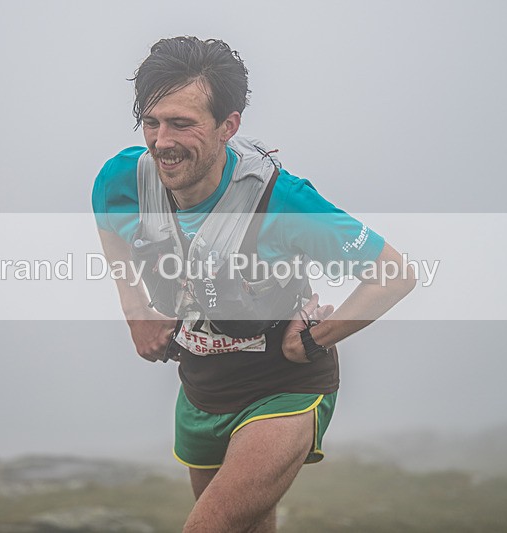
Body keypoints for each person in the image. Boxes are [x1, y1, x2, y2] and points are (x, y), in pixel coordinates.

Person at [92, 36, 415, 533]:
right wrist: (135, 309)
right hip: (202, 387)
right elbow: (108, 222)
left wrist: (313, 338)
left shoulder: (283, 202)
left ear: (229, 126)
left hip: (283, 386)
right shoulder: (123, 180)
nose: (161, 141)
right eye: (152, 122)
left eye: (182, 123)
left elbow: (394, 272)